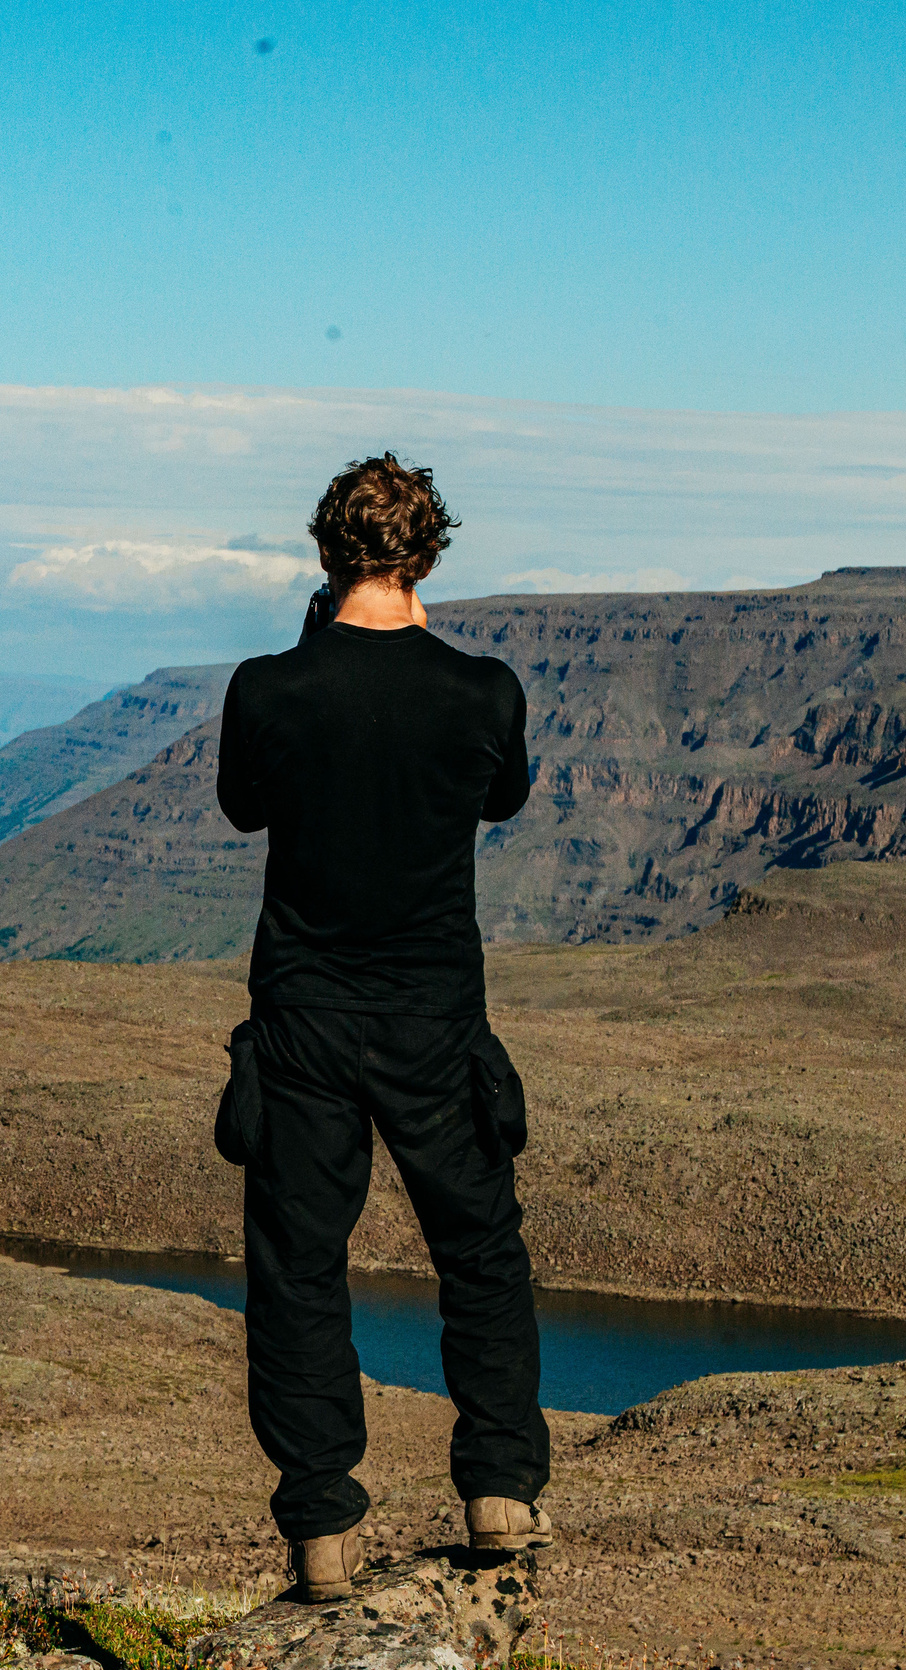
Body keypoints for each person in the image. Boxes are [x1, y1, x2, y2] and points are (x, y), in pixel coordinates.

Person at [215, 452, 552, 1603]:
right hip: (435, 1017)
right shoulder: (483, 691)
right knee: (480, 1253)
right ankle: (499, 1489)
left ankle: (321, 1522)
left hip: (303, 1017)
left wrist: (315, 647)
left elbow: (244, 805)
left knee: (298, 1265)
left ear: (323, 553)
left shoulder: (265, 687)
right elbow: (498, 796)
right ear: (429, 553)